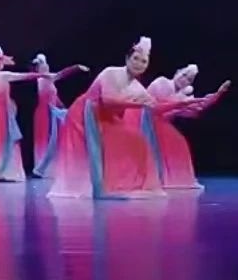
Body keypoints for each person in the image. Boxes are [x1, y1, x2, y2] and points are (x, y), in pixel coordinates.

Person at [47, 36, 204, 200]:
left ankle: (122, 184)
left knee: (137, 141)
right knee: (103, 146)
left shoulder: (137, 87)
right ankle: (101, 189)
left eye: (144, 61)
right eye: (136, 59)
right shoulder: (111, 73)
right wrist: (136, 104)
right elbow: (108, 100)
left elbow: (154, 107)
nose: (139, 64)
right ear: (127, 59)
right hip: (86, 112)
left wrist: (183, 104)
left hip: (107, 116)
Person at [0, 47, 56, 183]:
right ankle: (3, 171)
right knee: (2, 139)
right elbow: (22, 76)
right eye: (0, 60)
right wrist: (40, 75)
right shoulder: (1, 75)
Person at [144, 63, 231, 190]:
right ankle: (157, 175)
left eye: (189, 79)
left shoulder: (184, 96)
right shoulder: (162, 83)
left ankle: (174, 178)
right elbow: (155, 106)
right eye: (184, 75)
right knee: (172, 139)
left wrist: (218, 94)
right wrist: (179, 104)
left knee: (179, 141)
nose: (184, 79)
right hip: (146, 120)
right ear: (177, 73)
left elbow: (199, 106)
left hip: (160, 124)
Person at [29, 54, 89, 177]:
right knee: (49, 140)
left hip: (53, 112)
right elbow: (62, 73)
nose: (46, 66)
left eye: (46, 64)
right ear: (38, 68)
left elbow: (54, 98)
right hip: (45, 113)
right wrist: (76, 67)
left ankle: (45, 168)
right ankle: (42, 168)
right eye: (43, 65)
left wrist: (63, 108)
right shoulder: (43, 78)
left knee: (55, 141)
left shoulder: (48, 80)